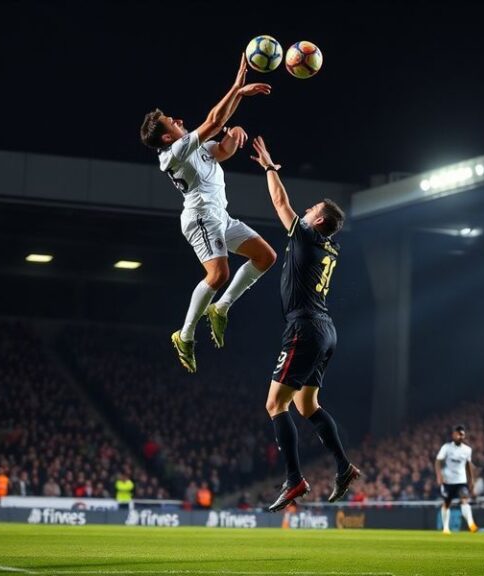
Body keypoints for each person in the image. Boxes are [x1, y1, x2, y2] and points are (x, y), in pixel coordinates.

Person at [140, 55, 276, 373]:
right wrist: (238, 90)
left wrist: (236, 130)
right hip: (200, 218)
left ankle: (221, 307)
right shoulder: (173, 153)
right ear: (166, 137)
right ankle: (184, 336)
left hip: (220, 217)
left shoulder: (194, 147)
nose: (178, 119)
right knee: (218, 275)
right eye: (172, 122)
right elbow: (214, 121)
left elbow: (224, 148)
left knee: (265, 257)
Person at [249, 136, 360, 512]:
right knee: (306, 403)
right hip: (325, 329)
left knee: (274, 404)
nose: (306, 210)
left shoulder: (310, 238)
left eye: (311, 209)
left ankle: (294, 479)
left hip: (305, 327)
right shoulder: (330, 246)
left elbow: (280, 203)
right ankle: (343, 466)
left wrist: (269, 167)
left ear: (318, 221)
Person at [435, 425, 478, 534]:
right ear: (453, 435)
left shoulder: (467, 450)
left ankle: (471, 524)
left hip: (461, 481)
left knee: (464, 499)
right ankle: (445, 528)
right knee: (447, 503)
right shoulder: (446, 447)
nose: (460, 437)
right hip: (448, 481)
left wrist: (471, 480)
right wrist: (439, 476)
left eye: (462, 435)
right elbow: (438, 461)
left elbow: (468, 465)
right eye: (458, 434)